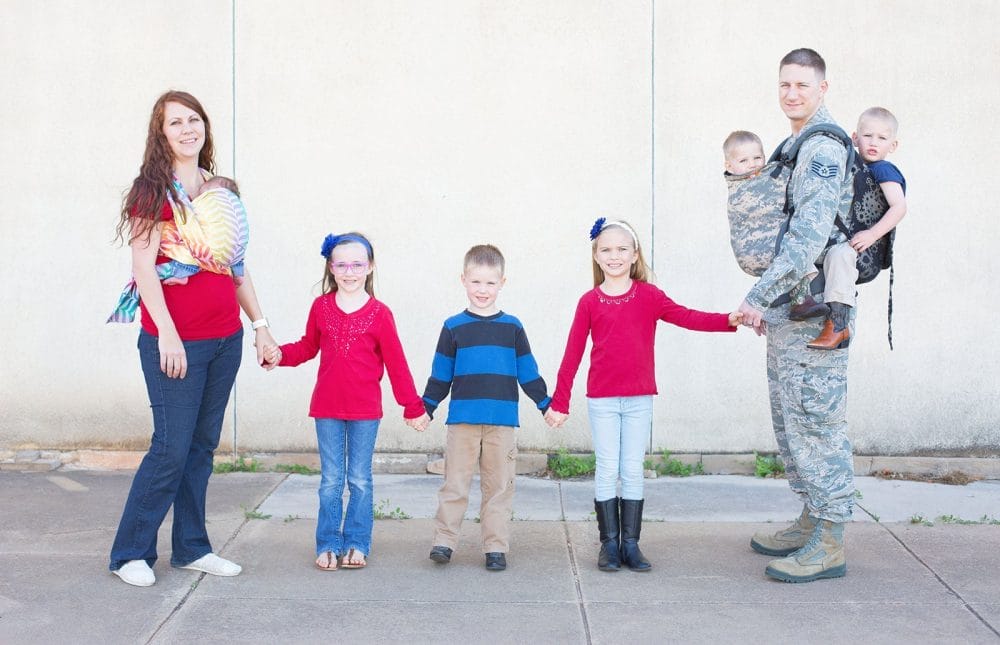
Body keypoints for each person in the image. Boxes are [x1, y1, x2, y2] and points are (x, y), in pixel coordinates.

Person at [108, 90, 278, 587]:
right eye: (175, 123)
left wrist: (260, 327)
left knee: (201, 448)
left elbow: (235, 265)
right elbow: (144, 267)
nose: (187, 129)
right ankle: (130, 553)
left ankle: (191, 548)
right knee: (170, 448)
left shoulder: (219, 186)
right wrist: (167, 336)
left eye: (193, 119)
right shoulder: (151, 189)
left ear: (204, 126)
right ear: (161, 135)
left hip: (224, 338)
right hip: (176, 342)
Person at [548, 219, 741, 572]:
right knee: (607, 467)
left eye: (622, 249)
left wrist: (727, 319)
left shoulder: (649, 296)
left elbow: (686, 316)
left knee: (632, 468)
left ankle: (631, 544)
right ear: (595, 255)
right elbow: (572, 354)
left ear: (635, 254)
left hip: (639, 399)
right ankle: (609, 545)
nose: (614, 255)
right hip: (602, 400)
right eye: (606, 249)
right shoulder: (590, 301)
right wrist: (559, 402)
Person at [737, 48, 856, 583]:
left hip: (814, 318)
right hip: (791, 311)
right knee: (792, 423)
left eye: (802, 85)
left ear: (823, 88)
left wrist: (757, 298)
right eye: (784, 84)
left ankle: (829, 540)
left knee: (816, 423)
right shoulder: (795, 143)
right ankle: (810, 518)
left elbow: (808, 237)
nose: (792, 93)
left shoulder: (824, 148)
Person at [265, 232, 430, 571]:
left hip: (365, 411)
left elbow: (397, 364)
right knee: (330, 480)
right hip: (326, 408)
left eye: (357, 264)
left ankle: (357, 541)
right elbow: (307, 347)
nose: (349, 271)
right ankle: (327, 543)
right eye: (342, 264)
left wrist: (412, 406)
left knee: (359, 479)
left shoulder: (380, 314)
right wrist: (279, 355)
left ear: (370, 267)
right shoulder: (321, 307)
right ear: (331, 267)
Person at [423, 244, 555, 572]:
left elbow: (527, 371)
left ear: (502, 283)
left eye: (490, 283)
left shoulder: (512, 327)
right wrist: (425, 407)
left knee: (499, 487)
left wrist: (545, 404)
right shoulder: (454, 326)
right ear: (463, 280)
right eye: (476, 282)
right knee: (455, 483)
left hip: (501, 422)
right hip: (463, 421)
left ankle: (495, 546)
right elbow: (441, 373)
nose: (483, 290)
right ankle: (444, 541)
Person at [793, 107, 908, 350]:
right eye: (868, 136)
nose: (873, 142)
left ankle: (838, 324)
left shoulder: (883, 170)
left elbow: (899, 207)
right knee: (804, 242)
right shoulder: (848, 163)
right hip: (848, 238)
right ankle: (806, 297)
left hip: (865, 244)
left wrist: (873, 234)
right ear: (855, 138)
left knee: (840, 254)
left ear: (893, 145)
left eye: (882, 138)